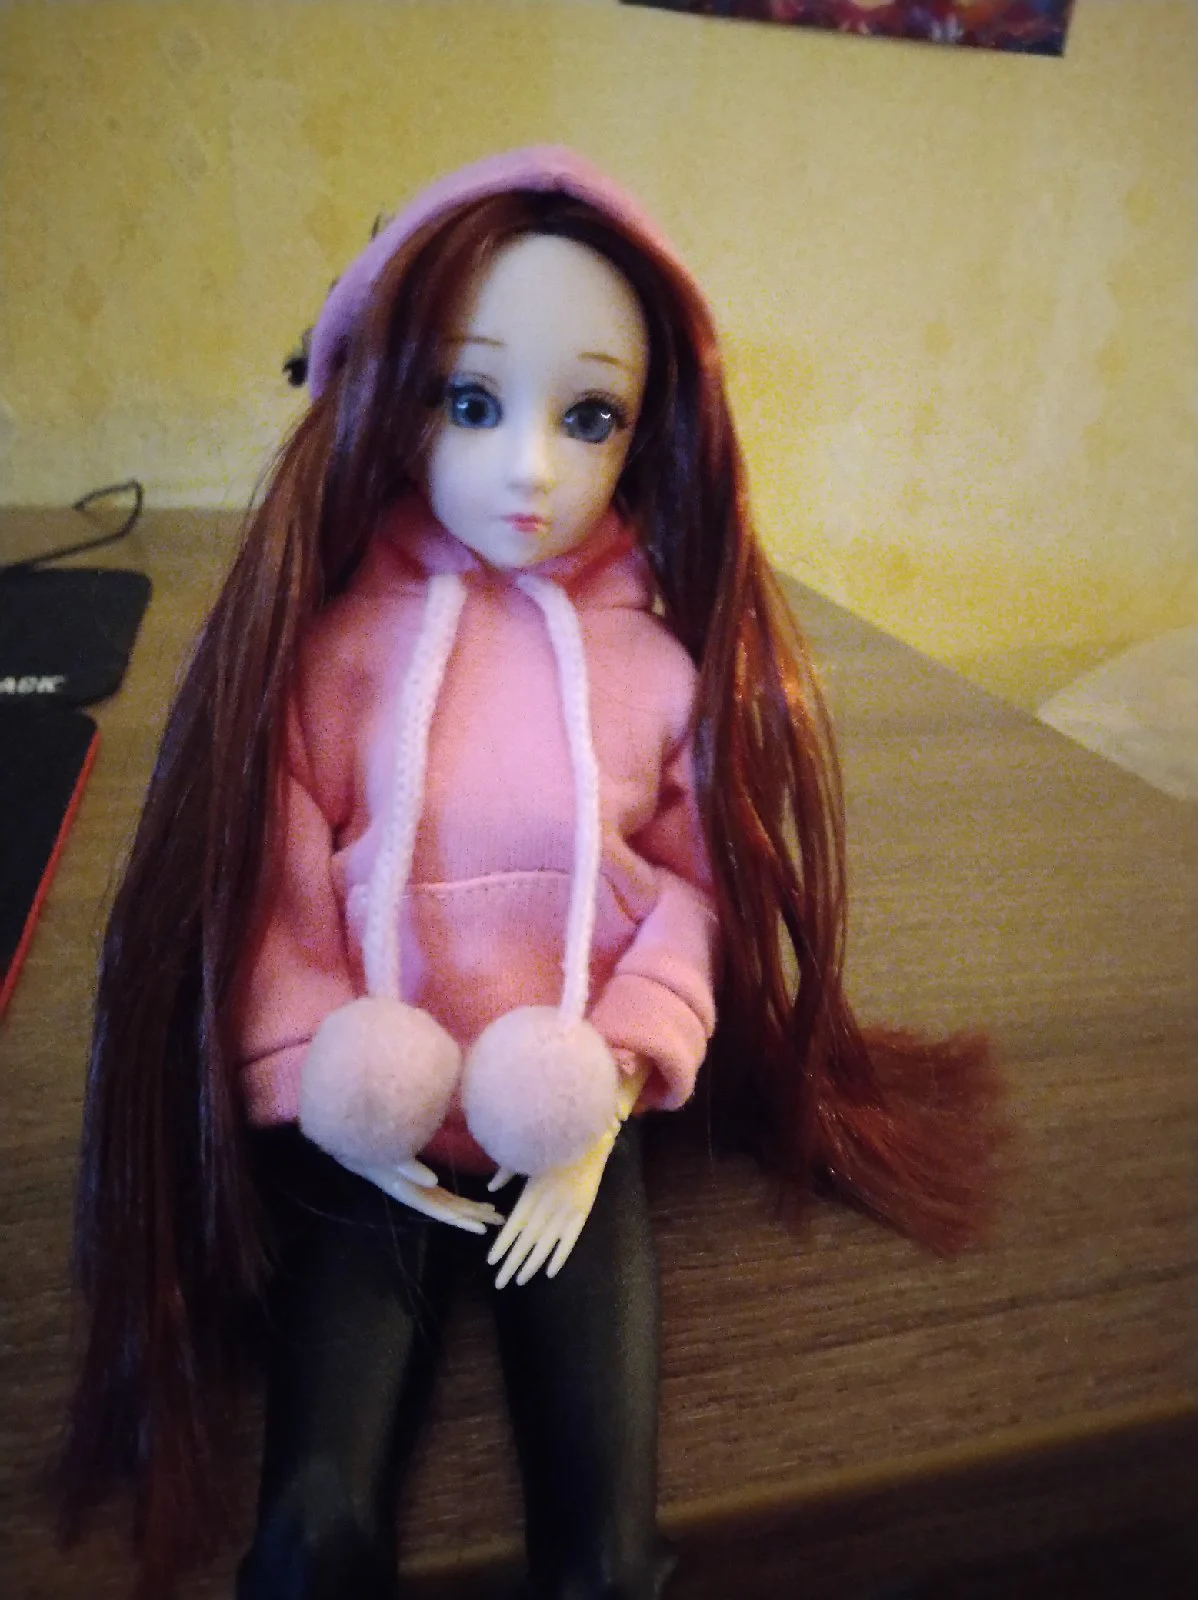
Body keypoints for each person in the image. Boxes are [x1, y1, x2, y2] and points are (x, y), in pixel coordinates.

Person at [61, 147, 1001, 1600]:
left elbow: (695, 895)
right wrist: (322, 1072)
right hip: (374, 1122)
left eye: (590, 416)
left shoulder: (660, 672)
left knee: (609, 1557)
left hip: (564, 1117)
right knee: (312, 1532)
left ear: (648, 434)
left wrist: (613, 1080)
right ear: (387, 397)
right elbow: (276, 890)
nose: (529, 469)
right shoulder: (327, 658)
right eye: (470, 399)